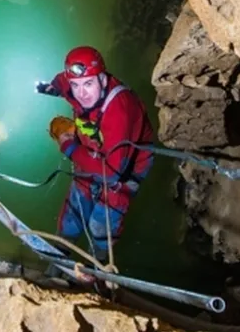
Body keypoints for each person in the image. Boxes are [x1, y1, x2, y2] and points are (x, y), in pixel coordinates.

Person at [36, 46, 154, 251]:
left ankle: (98, 270)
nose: (82, 93)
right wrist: (46, 89)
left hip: (126, 166)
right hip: (91, 149)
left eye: (89, 84)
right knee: (73, 214)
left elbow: (111, 173)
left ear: (103, 79)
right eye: (76, 85)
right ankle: (58, 261)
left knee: (100, 225)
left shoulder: (119, 110)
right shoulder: (71, 84)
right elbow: (60, 85)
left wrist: (69, 147)